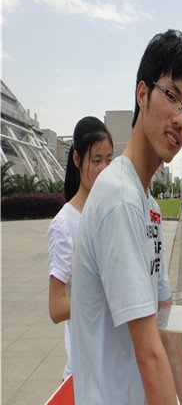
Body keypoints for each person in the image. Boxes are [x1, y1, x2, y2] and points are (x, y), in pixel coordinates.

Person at [70, 30, 182, 405]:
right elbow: (148, 351)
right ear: (142, 93)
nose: (180, 119)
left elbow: (165, 320)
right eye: (172, 96)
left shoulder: (146, 201)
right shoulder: (118, 199)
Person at [47, 117, 113, 381]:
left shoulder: (110, 213)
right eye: (96, 161)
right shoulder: (65, 224)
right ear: (77, 159)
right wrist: (106, 297)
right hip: (84, 371)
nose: (104, 169)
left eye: (108, 160)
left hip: (113, 362)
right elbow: (56, 307)